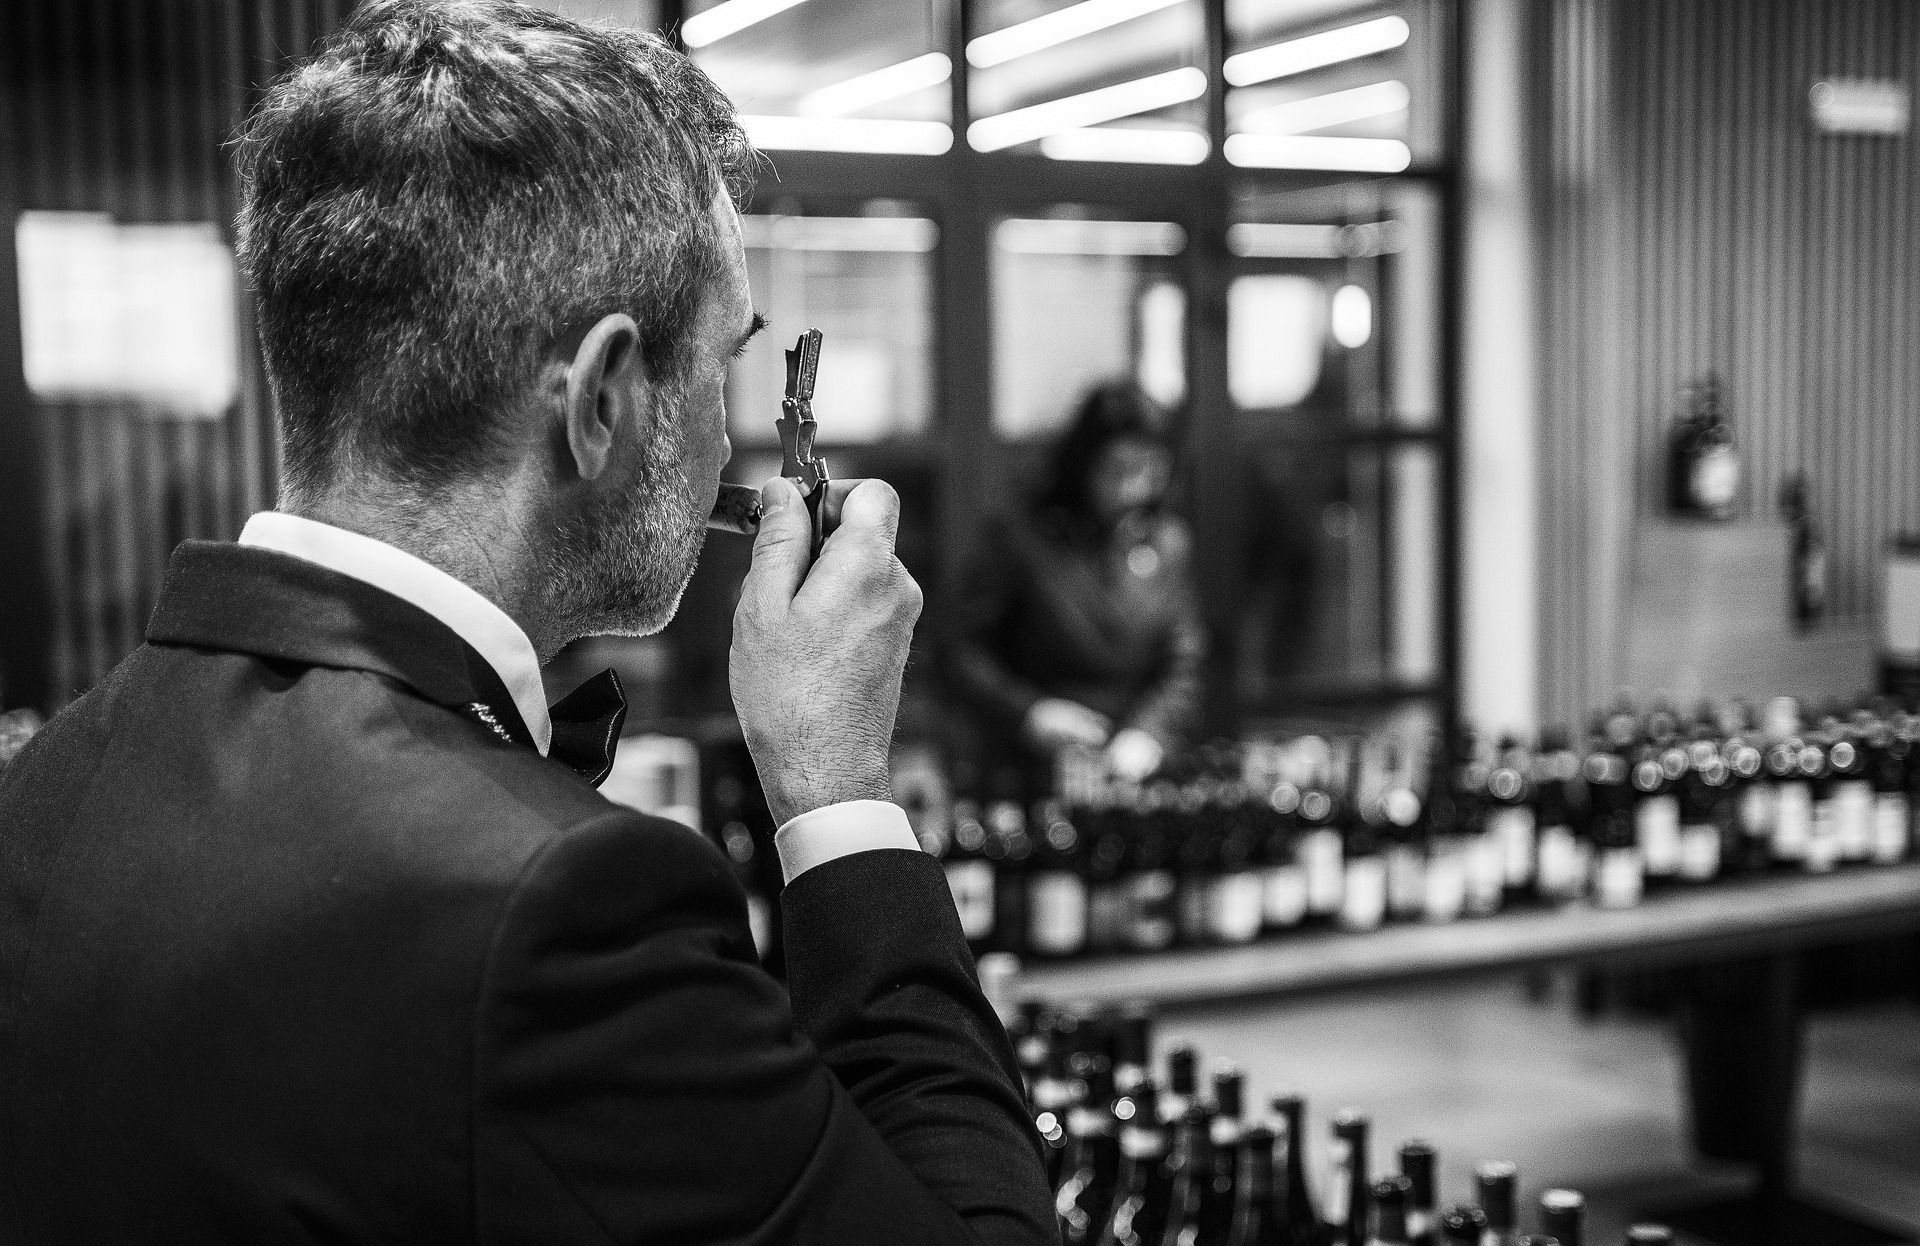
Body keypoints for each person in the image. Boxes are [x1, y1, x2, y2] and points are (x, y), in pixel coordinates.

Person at [0, 4, 1054, 1243]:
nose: (730, 436)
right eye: (723, 367)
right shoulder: (562, 912)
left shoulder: (53, 782)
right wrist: (838, 794)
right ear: (604, 399)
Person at [942, 381, 1206, 789]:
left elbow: (1183, 662)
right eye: (1118, 470)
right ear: (1084, 465)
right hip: (1029, 770)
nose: (1132, 489)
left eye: (1148, 471)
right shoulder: (1022, 536)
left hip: (1132, 768)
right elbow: (961, 651)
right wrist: (1030, 713)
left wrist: (1148, 732)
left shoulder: (1168, 541)